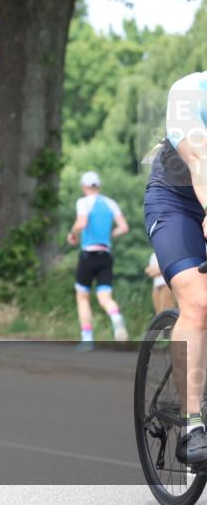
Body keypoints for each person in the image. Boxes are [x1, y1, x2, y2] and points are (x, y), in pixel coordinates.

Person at [144, 70, 207, 465]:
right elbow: (199, 157)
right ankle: (192, 425)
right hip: (177, 204)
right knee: (198, 304)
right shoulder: (188, 91)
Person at [68, 170, 130, 349]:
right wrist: (110, 234)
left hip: (88, 255)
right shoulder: (111, 203)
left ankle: (87, 339)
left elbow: (81, 223)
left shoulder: (83, 202)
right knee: (104, 297)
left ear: (84, 187)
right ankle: (116, 317)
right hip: (106, 255)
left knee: (82, 296)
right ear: (99, 186)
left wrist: (72, 234)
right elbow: (124, 228)